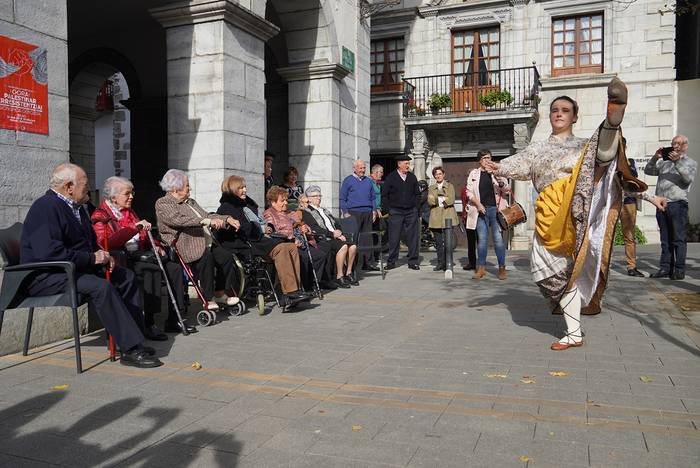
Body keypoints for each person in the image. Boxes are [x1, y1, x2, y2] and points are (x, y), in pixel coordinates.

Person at [483, 78, 666, 350]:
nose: (559, 113)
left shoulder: (581, 144)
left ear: (574, 117)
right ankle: (574, 330)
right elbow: (514, 165)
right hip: (549, 211)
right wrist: (494, 166)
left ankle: (611, 126)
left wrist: (649, 196)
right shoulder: (537, 148)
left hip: (579, 203)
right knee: (546, 270)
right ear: (550, 116)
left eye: (565, 110)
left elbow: (613, 179)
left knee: (597, 157)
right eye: (555, 109)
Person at [20, 163, 162, 368]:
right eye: (85, 184)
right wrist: (92, 259)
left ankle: (133, 339)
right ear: (69, 187)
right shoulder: (46, 207)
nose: (89, 188)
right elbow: (48, 252)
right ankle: (131, 349)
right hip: (47, 274)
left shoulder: (77, 208)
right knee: (101, 287)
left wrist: (104, 255)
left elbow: (89, 243)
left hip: (71, 268)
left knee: (125, 276)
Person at [91, 176, 195, 339]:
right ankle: (149, 322)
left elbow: (144, 235)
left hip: (140, 255)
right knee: (149, 270)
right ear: (113, 197)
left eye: (132, 193)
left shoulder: (130, 212)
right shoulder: (101, 215)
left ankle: (175, 318)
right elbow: (106, 243)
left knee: (174, 269)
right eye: (127, 194)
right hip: (121, 260)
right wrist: (133, 228)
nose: (131, 197)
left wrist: (157, 245)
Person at [155, 169, 241, 310]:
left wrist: (226, 218)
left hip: (205, 242)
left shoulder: (191, 202)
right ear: (176, 188)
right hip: (185, 245)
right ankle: (208, 298)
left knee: (227, 258)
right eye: (187, 185)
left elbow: (207, 215)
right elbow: (178, 220)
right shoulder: (164, 203)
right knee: (206, 258)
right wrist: (206, 221)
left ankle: (220, 293)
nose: (190, 188)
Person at [215, 176, 311, 303]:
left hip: (256, 240)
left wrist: (264, 227)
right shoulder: (227, 207)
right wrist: (260, 228)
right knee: (282, 248)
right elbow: (244, 228)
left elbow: (255, 224)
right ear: (233, 190)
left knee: (291, 247)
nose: (245, 190)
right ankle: (288, 292)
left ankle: (294, 289)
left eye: (245, 187)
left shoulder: (245, 205)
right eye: (241, 188)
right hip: (244, 244)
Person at [646, 135, 696, 280]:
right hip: (662, 204)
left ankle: (679, 270)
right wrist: (656, 157)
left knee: (678, 239)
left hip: (678, 204)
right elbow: (648, 171)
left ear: (685, 146)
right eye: (674, 143)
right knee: (665, 239)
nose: (676, 146)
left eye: (679, 144)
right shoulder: (664, 163)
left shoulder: (690, 162)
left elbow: (687, 179)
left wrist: (677, 162)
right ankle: (665, 268)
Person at [264, 186, 332, 291]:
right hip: (287, 244)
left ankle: (313, 283)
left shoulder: (291, 213)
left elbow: (303, 225)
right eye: (282, 201)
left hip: (303, 242)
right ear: (273, 202)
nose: (286, 203)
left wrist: (305, 229)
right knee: (303, 258)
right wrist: (291, 240)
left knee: (319, 255)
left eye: (286, 200)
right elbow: (273, 232)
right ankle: (303, 287)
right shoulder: (269, 214)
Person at [466, 150, 511, 280]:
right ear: (480, 160)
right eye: (484, 158)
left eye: (489, 158)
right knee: (482, 241)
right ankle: (481, 269)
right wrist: (478, 205)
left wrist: (496, 176)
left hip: (495, 211)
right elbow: (469, 192)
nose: (487, 160)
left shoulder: (497, 172)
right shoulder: (474, 173)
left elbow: (506, 189)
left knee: (498, 240)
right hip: (480, 210)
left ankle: (502, 268)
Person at [303, 185, 358, 288]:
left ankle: (349, 272)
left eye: (319, 195)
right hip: (324, 238)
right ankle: (339, 276)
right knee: (344, 246)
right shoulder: (307, 212)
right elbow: (315, 228)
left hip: (335, 236)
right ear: (309, 198)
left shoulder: (324, 210)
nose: (318, 198)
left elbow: (336, 224)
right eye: (315, 196)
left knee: (353, 246)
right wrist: (332, 234)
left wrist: (339, 232)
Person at [340, 159, 380, 271]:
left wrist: (374, 210)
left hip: (367, 212)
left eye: (364, 168)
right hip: (353, 213)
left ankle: (368, 263)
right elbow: (343, 197)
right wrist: (345, 212)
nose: (363, 170)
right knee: (354, 238)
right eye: (360, 168)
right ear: (355, 168)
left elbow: (373, 197)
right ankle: (352, 265)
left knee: (367, 238)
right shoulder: (348, 180)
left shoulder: (368, 181)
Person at [383, 154, 420, 270]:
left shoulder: (412, 177)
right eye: (406, 163)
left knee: (412, 237)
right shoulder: (391, 177)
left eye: (408, 163)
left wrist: (416, 208)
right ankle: (392, 261)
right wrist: (388, 210)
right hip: (396, 212)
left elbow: (417, 194)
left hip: (410, 211)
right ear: (399, 164)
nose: (408, 166)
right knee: (394, 237)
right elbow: (384, 195)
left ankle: (413, 261)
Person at [427, 167, 459, 271]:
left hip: (447, 216)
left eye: (440, 174)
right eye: (436, 174)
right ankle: (440, 263)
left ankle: (447, 263)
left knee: (448, 242)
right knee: (438, 242)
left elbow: (451, 199)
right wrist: (442, 198)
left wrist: (438, 199)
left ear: (444, 174)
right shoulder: (431, 187)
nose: (438, 176)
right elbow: (430, 201)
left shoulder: (450, 186)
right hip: (435, 217)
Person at [620, 158, 644, 277]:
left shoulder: (630, 161)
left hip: (629, 202)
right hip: (612, 202)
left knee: (629, 236)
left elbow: (633, 178)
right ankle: (601, 266)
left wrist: (627, 165)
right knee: (605, 235)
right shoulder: (608, 161)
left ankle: (631, 266)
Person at [459, 184, 477, 270]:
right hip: (469, 217)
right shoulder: (465, 189)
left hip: (480, 216)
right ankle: (472, 262)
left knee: (481, 241)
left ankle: (481, 263)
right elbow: (464, 202)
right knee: (471, 242)